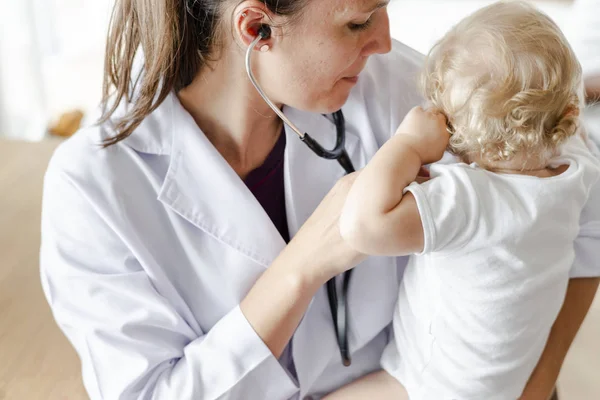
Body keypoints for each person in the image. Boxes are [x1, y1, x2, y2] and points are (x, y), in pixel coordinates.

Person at [39, 0, 600, 399]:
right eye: (358, 22)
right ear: (256, 27)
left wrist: (534, 380)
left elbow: (572, 170)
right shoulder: (92, 188)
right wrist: (304, 264)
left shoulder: (396, 85)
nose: (383, 38)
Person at [324, 3, 600, 399]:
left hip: (433, 386)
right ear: (570, 116)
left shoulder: (470, 200)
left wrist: (407, 145)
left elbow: (362, 227)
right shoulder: (575, 170)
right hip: (508, 379)